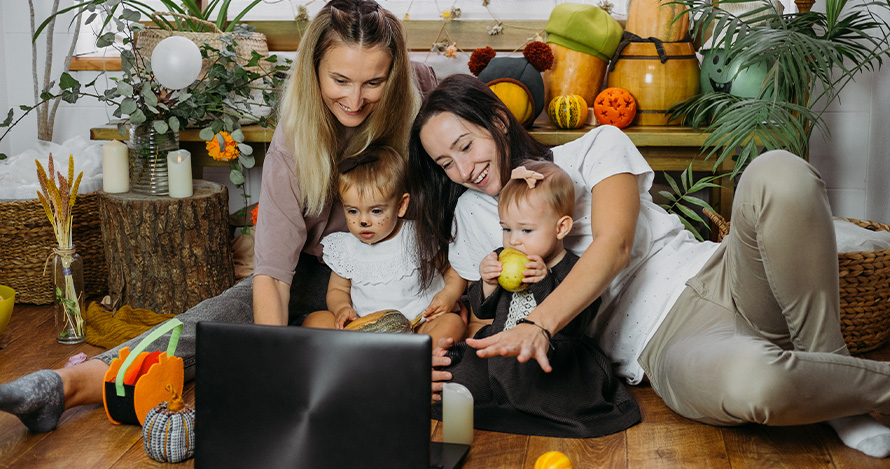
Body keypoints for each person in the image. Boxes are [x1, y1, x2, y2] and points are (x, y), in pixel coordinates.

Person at [0, 0, 438, 434]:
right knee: (213, 320)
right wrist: (278, 367)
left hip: (409, 269)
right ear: (314, 70)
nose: (355, 99)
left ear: (394, 76)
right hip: (323, 273)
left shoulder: (420, 94)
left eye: (373, 83)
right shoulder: (295, 136)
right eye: (340, 80)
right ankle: (63, 387)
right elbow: (272, 273)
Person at [409, 74, 890, 457]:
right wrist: (433, 345)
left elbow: (614, 246)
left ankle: (832, 368)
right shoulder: (476, 213)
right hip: (667, 344)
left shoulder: (595, 147)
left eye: (466, 145)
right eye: (445, 163)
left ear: (497, 119)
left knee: (780, 172)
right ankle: (851, 389)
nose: (463, 169)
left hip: (725, 274)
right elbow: (481, 314)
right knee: (755, 385)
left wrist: (541, 322)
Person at [431, 161, 640, 438]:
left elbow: (579, 322)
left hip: (551, 353)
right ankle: (495, 396)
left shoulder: (575, 268)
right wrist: (489, 283)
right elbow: (482, 309)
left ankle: (526, 407)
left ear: (561, 227)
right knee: (458, 377)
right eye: (506, 229)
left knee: (558, 392)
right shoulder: (503, 258)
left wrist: (544, 282)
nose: (513, 241)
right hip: (503, 353)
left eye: (526, 231)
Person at [302, 145, 466, 346]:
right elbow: (337, 290)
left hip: (419, 325)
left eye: (376, 211)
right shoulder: (346, 248)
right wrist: (341, 308)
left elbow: (452, 270)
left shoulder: (417, 237)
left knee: (452, 323)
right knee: (315, 321)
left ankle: (422, 356)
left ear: (401, 206)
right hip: (364, 330)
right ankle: (363, 354)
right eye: (352, 211)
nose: (363, 221)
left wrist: (449, 295)